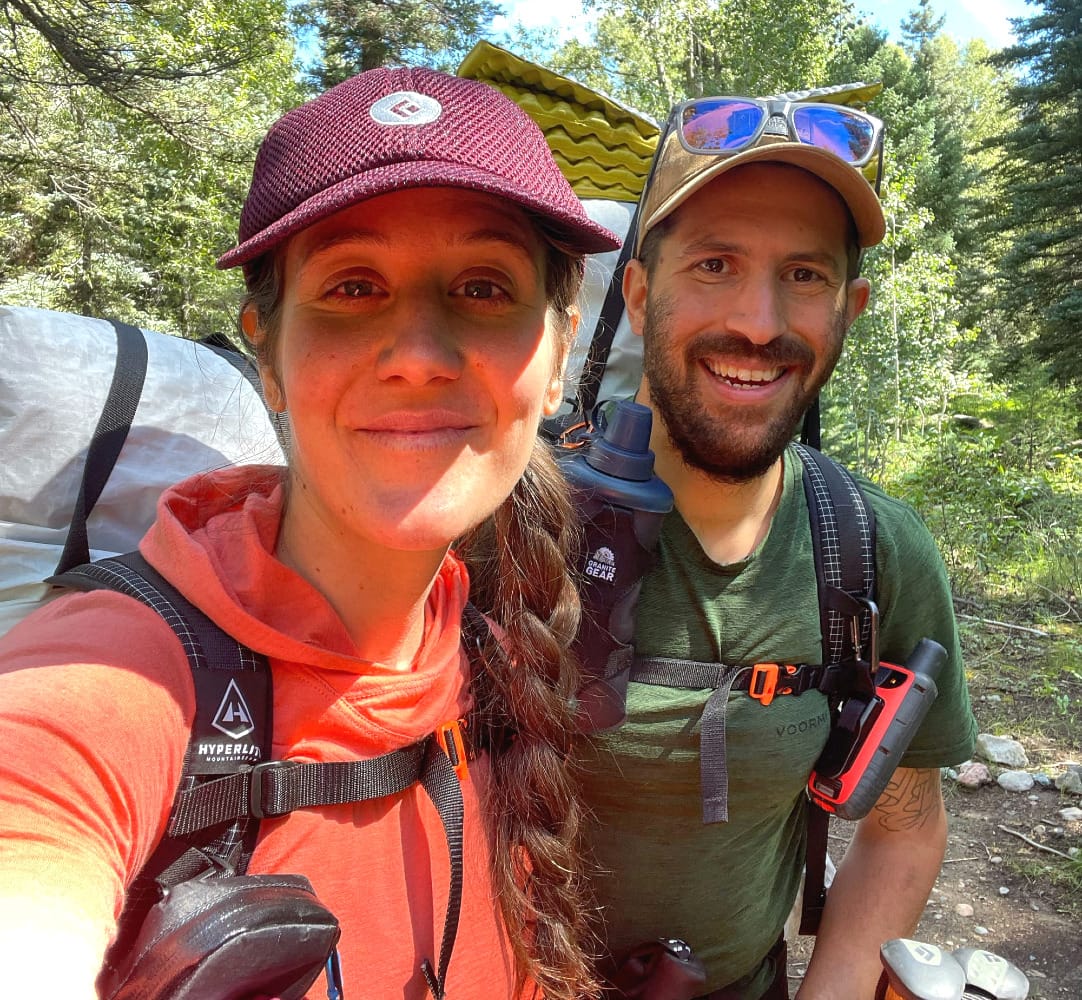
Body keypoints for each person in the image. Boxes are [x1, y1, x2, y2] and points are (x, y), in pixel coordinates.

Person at [0, 67, 620, 999]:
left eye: (485, 288)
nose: (417, 355)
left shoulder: (491, 648)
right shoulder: (118, 674)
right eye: (354, 285)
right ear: (268, 352)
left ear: (560, 348)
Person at [574, 97, 977, 998]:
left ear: (849, 309)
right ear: (640, 295)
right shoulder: (517, 523)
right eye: (715, 265)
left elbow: (906, 826)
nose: (759, 323)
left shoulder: (872, 552)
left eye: (803, 275)